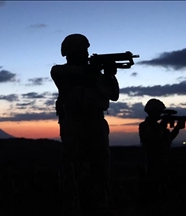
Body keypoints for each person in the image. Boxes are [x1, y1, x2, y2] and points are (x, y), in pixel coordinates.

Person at [50, 33, 119, 216]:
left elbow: (113, 94)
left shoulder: (94, 75)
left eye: (86, 50)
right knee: (73, 170)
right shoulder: (60, 71)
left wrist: (109, 75)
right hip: (73, 124)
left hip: (96, 122)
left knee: (101, 169)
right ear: (69, 53)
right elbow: (69, 75)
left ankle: (100, 205)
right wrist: (93, 71)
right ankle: (74, 206)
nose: (86, 53)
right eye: (82, 50)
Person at [138, 98, 186, 214]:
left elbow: (167, 140)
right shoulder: (145, 126)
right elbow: (155, 138)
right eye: (158, 112)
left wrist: (177, 129)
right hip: (152, 163)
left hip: (164, 162)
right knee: (152, 195)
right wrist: (163, 124)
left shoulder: (158, 127)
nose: (160, 114)